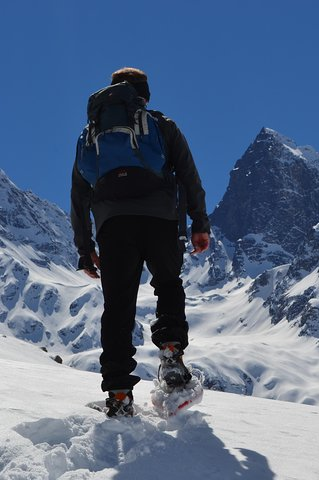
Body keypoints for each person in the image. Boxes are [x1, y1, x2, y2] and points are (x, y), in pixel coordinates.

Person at [70, 67, 211, 417]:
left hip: (112, 225)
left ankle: (118, 395)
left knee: (118, 307)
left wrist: (84, 248)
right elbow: (189, 175)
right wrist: (199, 223)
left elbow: (78, 194)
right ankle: (172, 355)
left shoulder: (91, 134)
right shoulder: (161, 125)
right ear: (143, 95)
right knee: (167, 284)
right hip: (161, 218)